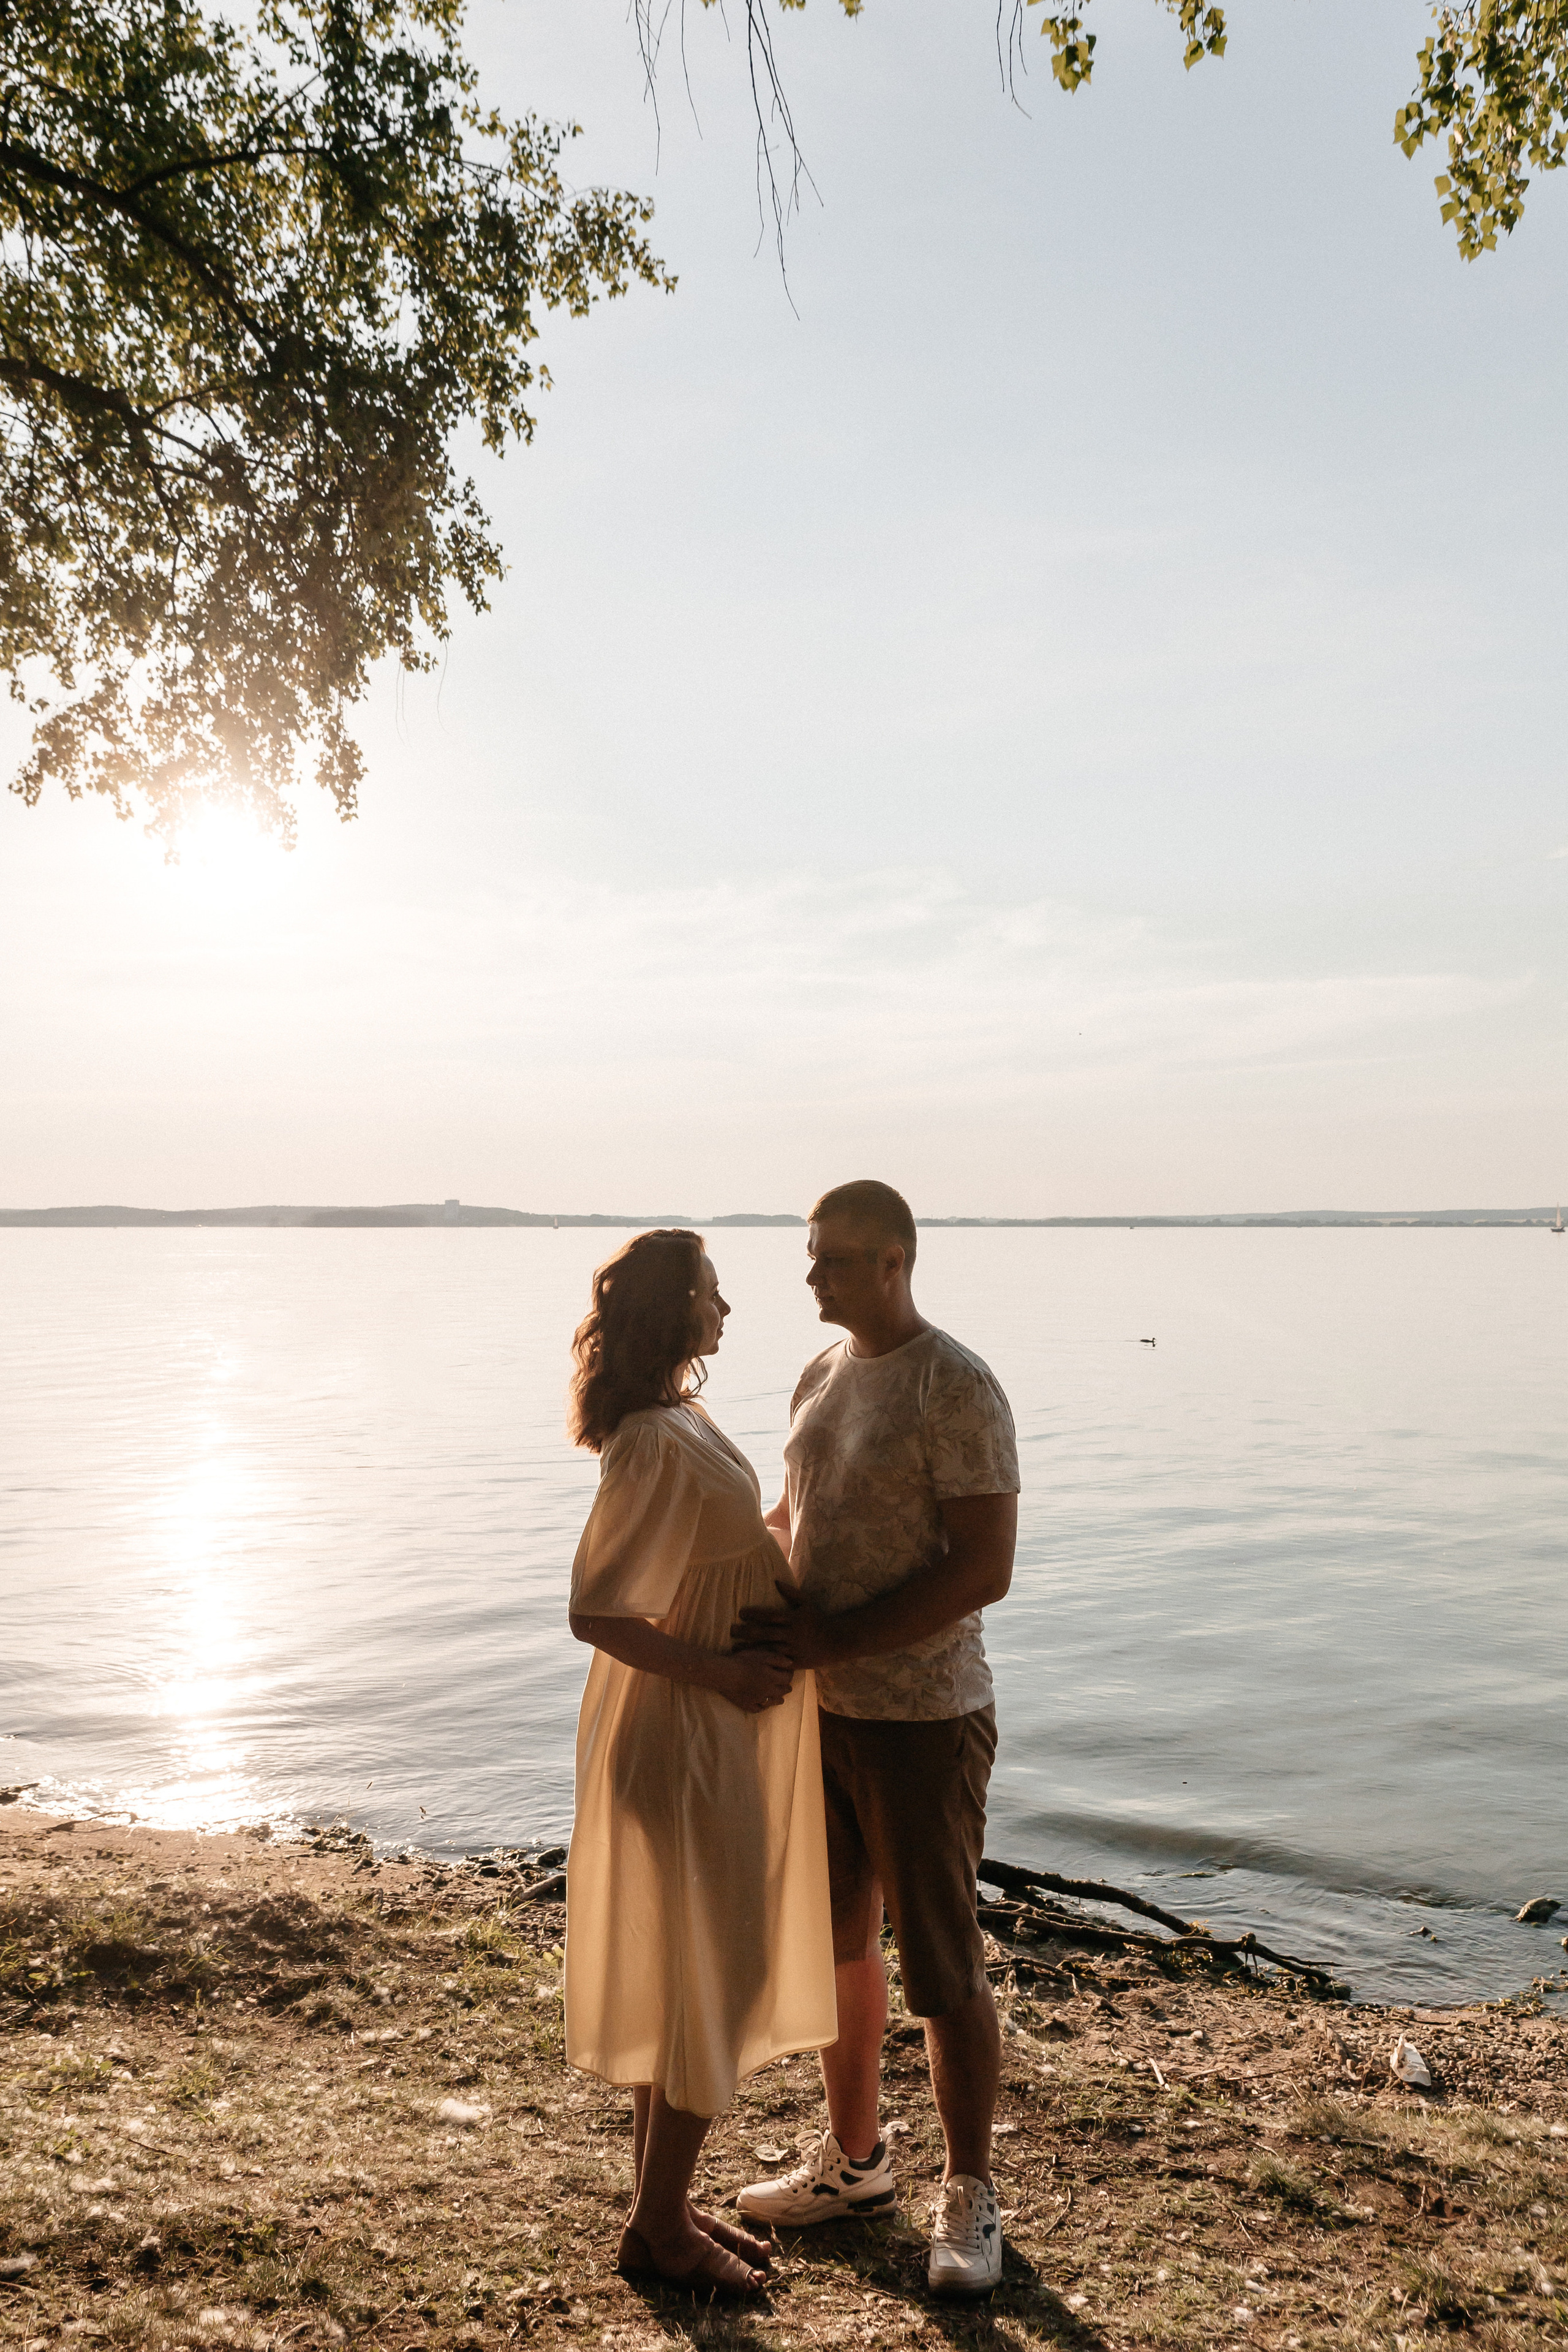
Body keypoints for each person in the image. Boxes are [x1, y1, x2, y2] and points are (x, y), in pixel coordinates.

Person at [733, 1180, 1019, 2299]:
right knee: (840, 1947)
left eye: (833, 1262)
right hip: (824, 1713)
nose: (812, 1279)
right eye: (811, 1260)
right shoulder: (822, 1372)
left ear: (894, 1262)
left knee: (943, 1967)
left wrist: (831, 1636)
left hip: (924, 1720)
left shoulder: (957, 1385)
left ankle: (971, 2195)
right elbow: (795, 1516)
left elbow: (982, 1566)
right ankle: (854, 2165)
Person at [563, 1227, 837, 2296]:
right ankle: (660, 2227)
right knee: (725, 1969)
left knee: (691, 1972)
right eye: (714, 1295)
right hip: (684, 1738)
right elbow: (596, 1610)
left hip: (709, 1731)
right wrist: (719, 1676)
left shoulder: (683, 1414)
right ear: (677, 1311)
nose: (727, 1312)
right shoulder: (647, 1439)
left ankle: (660, 2210)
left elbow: (727, 1545)